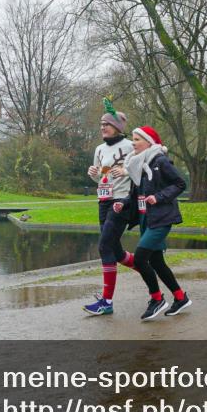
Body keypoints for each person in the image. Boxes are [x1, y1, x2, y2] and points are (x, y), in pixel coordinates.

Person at [118, 125, 191, 321]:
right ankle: (180, 297)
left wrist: (158, 197)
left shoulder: (160, 160)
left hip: (161, 218)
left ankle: (156, 298)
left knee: (141, 258)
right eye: (132, 139)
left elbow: (180, 184)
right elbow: (136, 195)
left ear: (149, 142)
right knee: (157, 261)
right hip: (145, 218)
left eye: (137, 139)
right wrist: (122, 204)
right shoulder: (137, 164)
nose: (133, 143)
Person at [83, 99, 136, 316]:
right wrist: (96, 176)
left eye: (106, 124)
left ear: (117, 127)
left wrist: (126, 171)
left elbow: (142, 172)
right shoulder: (99, 149)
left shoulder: (131, 146)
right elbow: (103, 177)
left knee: (104, 246)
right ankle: (148, 269)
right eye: (101, 124)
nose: (102, 127)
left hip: (121, 201)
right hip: (103, 201)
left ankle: (107, 301)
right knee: (115, 251)